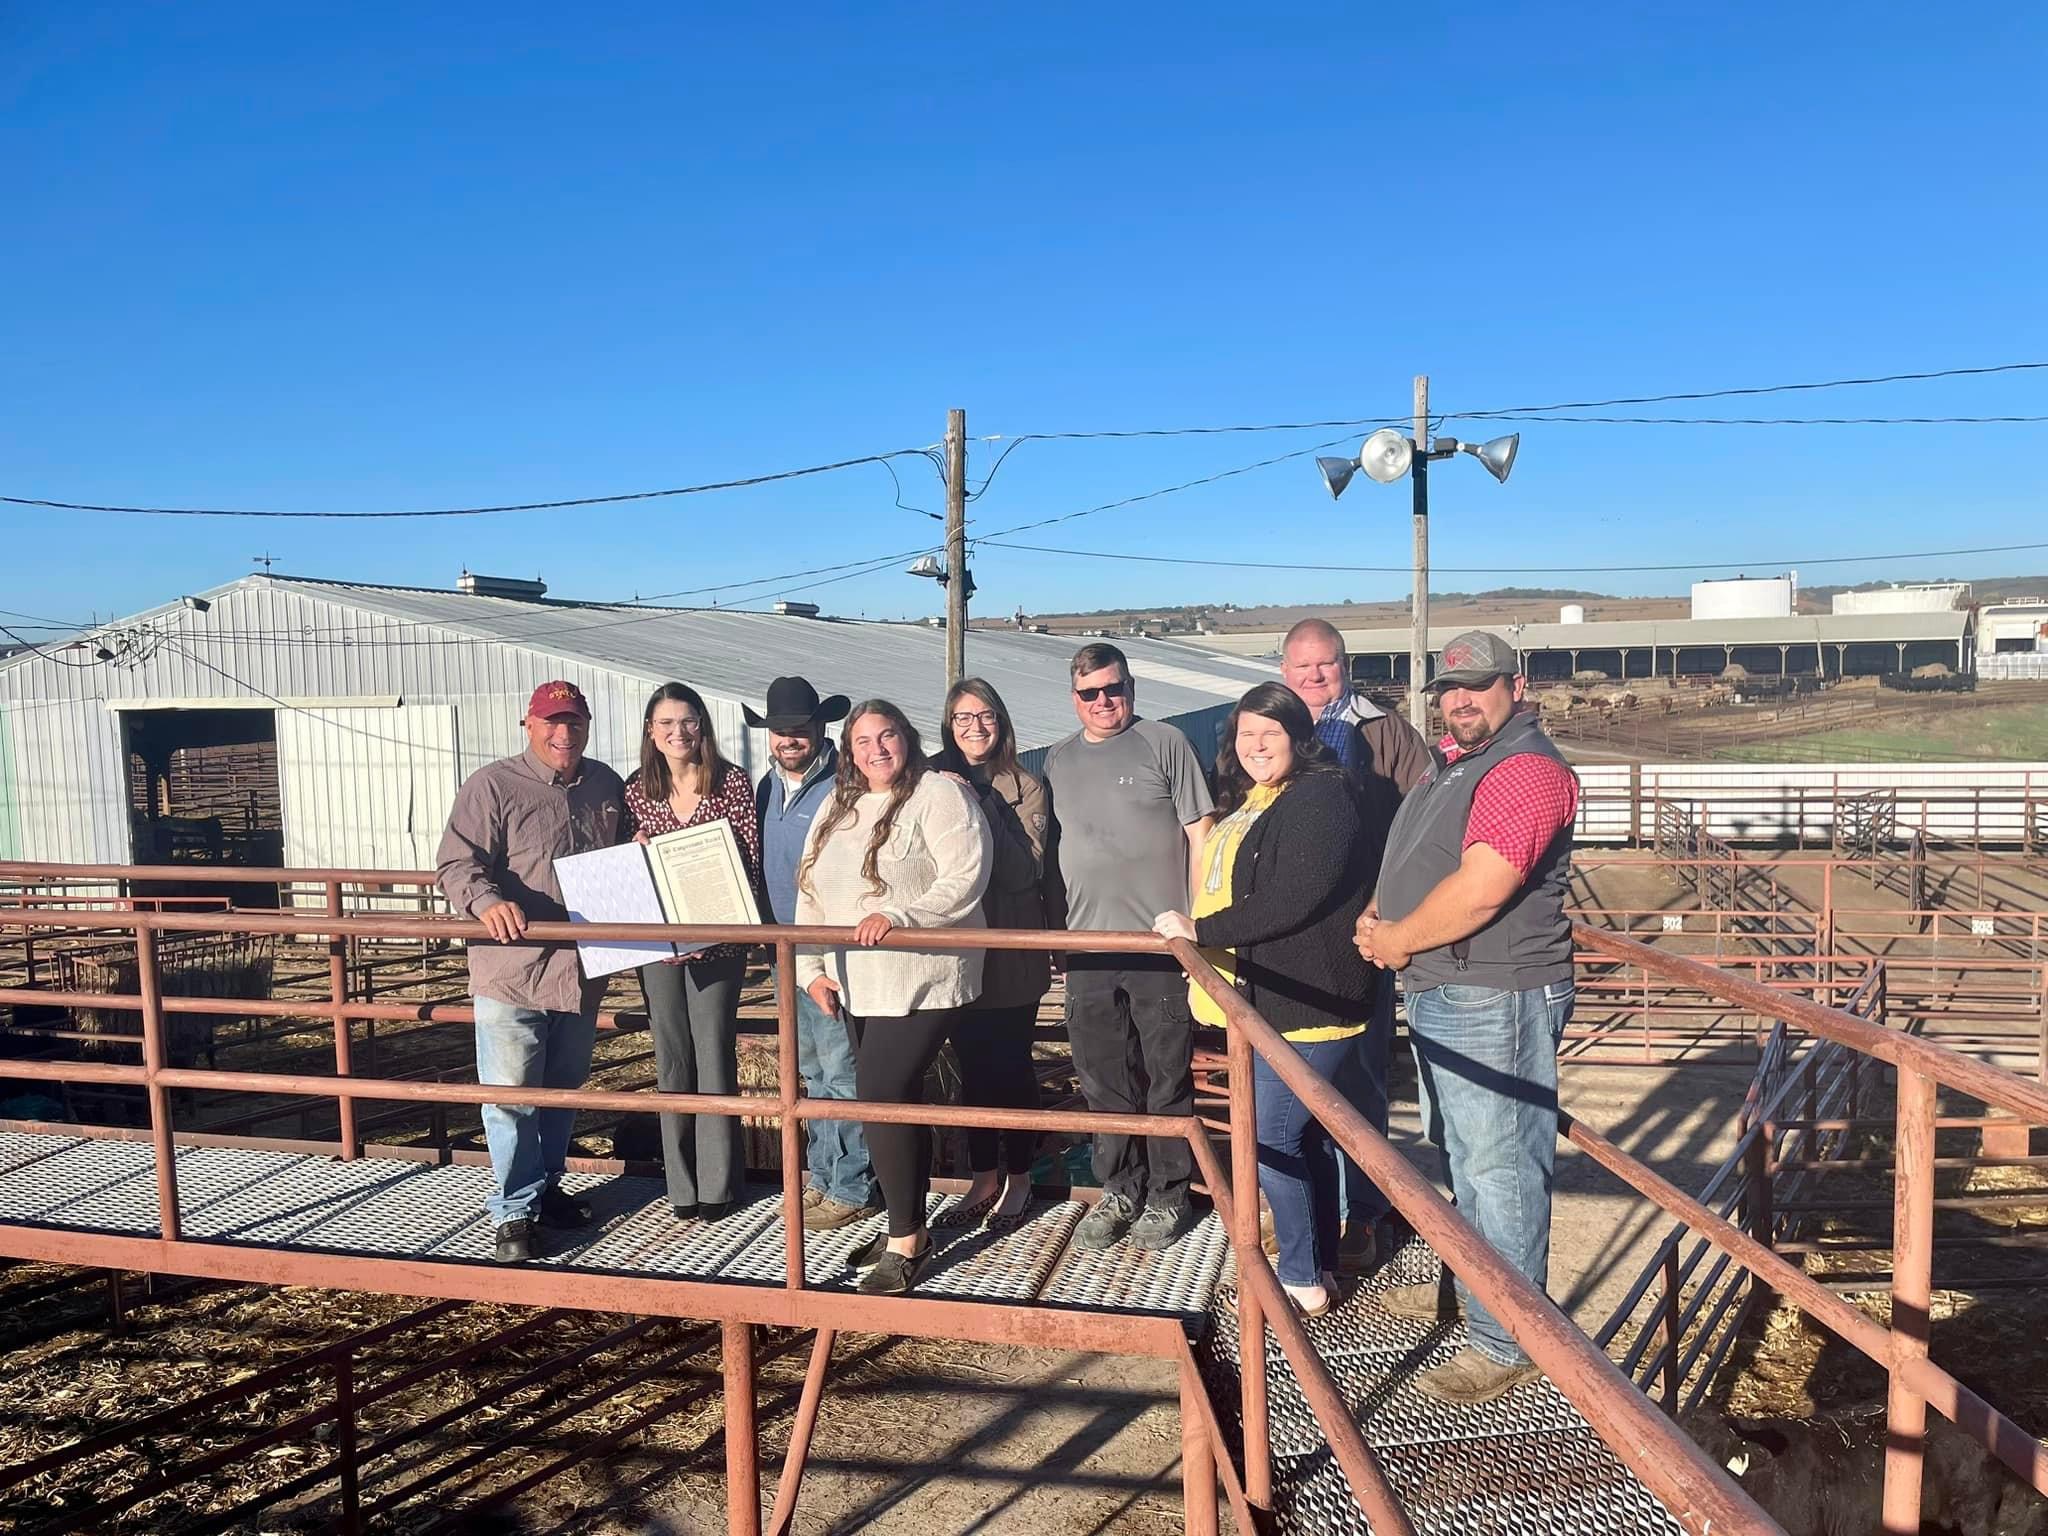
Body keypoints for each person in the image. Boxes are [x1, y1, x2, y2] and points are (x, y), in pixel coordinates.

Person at [1357, 630, 1581, 1406]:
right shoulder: (1456, 765)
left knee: (1501, 1166)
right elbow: (1425, 862)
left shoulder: (1526, 768)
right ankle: (1470, 1290)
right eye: (1448, 690)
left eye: (1477, 687)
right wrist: (1383, 919)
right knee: (1461, 1157)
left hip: (1496, 991)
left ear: (1516, 687)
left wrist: (1395, 938)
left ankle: (1506, 1337)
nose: (1459, 701)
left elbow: (1486, 886)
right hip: (1449, 984)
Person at [1154, 684, 1377, 1317]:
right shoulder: (1259, 800)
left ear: (1298, 739)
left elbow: (1292, 898)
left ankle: (1301, 1276)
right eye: (1245, 734)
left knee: (1272, 1136)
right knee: (1301, 1140)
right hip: (1273, 996)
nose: (1255, 746)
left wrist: (1201, 933)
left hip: (1312, 1000)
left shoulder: (1321, 799)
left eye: (1270, 734)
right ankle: (1321, 1267)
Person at [794, 701, 992, 1294]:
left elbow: (965, 875)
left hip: (925, 971)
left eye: (887, 736)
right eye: (862, 741)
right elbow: (810, 885)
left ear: (906, 738)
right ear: (848, 750)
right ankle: (908, 1216)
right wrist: (810, 967)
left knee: (880, 1092)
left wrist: (899, 914)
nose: (876, 749)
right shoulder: (837, 803)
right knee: (893, 1097)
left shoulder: (939, 795)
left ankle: (907, 1238)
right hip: (857, 978)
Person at [436, 680, 628, 1265]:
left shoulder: (606, 786)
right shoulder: (492, 785)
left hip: (578, 969)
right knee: (513, 1096)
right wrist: (486, 902)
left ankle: (546, 1189)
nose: (562, 733)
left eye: (572, 722)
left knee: (560, 1092)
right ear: (529, 724)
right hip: (513, 968)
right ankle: (513, 1209)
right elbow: (455, 862)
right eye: (551, 722)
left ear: (588, 725)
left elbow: (623, 862)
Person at [1043, 643, 1215, 1252]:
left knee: (1166, 1073)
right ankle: (1119, 1186)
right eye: (1089, 693)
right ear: (1075, 698)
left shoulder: (1165, 743)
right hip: (1088, 945)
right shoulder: (1059, 761)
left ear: (1131, 688)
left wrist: (1196, 925)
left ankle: (1170, 1193)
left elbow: (1202, 833)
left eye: (1113, 689)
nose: (1103, 702)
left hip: (1158, 946)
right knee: (1101, 1075)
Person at [1279, 617, 1431, 1268]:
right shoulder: (1265, 724)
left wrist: (1389, 907)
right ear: (1284, 670)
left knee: (1364, 1074)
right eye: (1303, 667)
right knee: (1289, 1080)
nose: (1316, 677)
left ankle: (1365, 1210)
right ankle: (1303, 1209)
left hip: (1361, 929)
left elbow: (1421, 825)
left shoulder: (1387, 732)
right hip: (1285, 934)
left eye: (1328, 665)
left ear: (1346, 664)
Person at [623, 682, 763, 1222]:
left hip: (717, 947)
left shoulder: (731, 785)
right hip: (659, 950)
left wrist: (709, 931)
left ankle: (719, 1184)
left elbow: (747, 866)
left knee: (713, 1056)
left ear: (702, 726)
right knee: (672, 1059)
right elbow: (623, 869)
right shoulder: (637, 790)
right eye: (666, 724)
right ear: (651, 733)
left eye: (688, 722)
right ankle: (679, 1185)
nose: (678, 733)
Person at [747, 676, 880, 1231]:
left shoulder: (846, 784)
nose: (789, 739)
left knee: (841, 1067)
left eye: (799, 729)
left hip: (828, 947)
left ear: (820, 728)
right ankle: (823, 1175)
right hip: (785, 945)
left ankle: (850, 1185)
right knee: (810, 1070)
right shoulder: (766, 788)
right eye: (781, 731)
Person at [928, 678, 1053, 1230]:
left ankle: (1020, 1175)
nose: (974, 728)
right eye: (962, 718)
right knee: (973, 1067)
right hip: (959, 950)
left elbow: (1024, 871)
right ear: (949, 725)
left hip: (1009, 948)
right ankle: (983, 1174)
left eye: (985, 716)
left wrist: (982, 803)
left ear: (1000, 722)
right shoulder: (929, 777)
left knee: (1011, 1065)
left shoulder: (1025, 785)